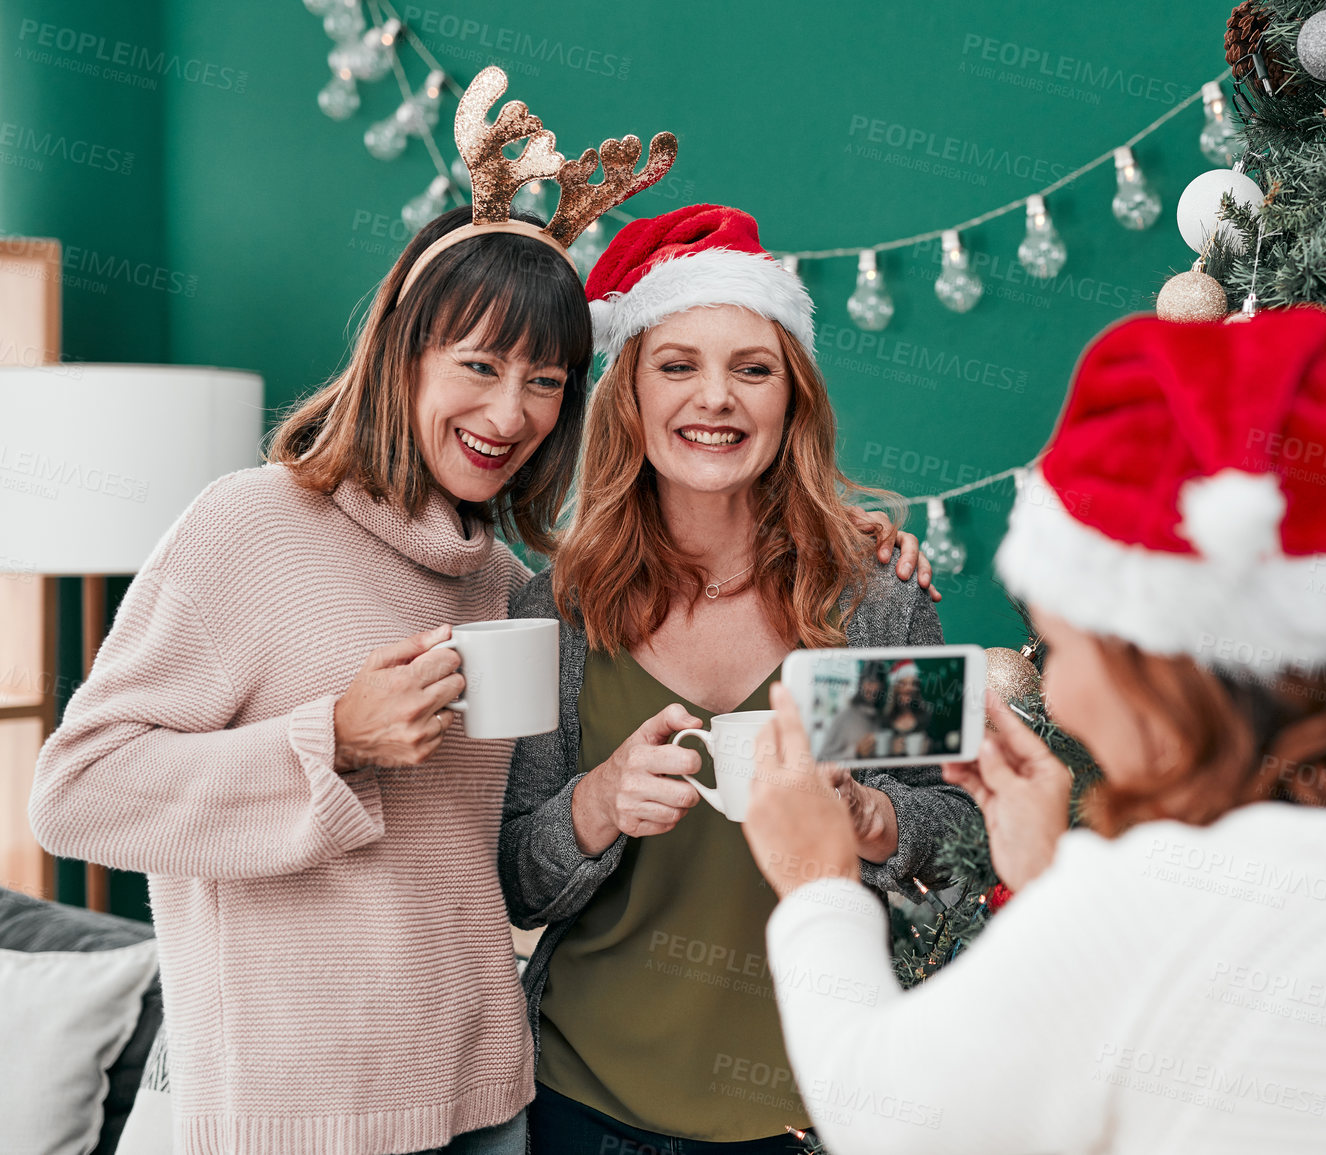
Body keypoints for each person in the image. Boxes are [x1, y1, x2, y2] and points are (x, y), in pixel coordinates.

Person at [26, 70, 923, 1155]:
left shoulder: (508, 589)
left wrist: (855, 575)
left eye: (546, 381)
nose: (509, 412)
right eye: (481, 365)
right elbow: (73, 797)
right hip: (305, 1122)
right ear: (404, 352)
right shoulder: (253, 528)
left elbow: (486, 866)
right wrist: (336, 739)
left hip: (495, 1107)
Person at [742, 309, 1326, 1154]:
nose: (1057, 692)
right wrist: (1052, 882)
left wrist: (817, 884)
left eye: (1056, 645)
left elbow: (886, 1115)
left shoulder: (1135, 913)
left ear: (1147, 669)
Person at [500, 204, 976, 1154]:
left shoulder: (872, 602)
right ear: (627, 396)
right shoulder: (552, 612)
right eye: (676, 365)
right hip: (578, 1103)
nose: (714, 398)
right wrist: (594, 805)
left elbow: (956, 850)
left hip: (808, 1116)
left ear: (791, 399)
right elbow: (511, 881)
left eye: (750, 370)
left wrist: (875, 821)